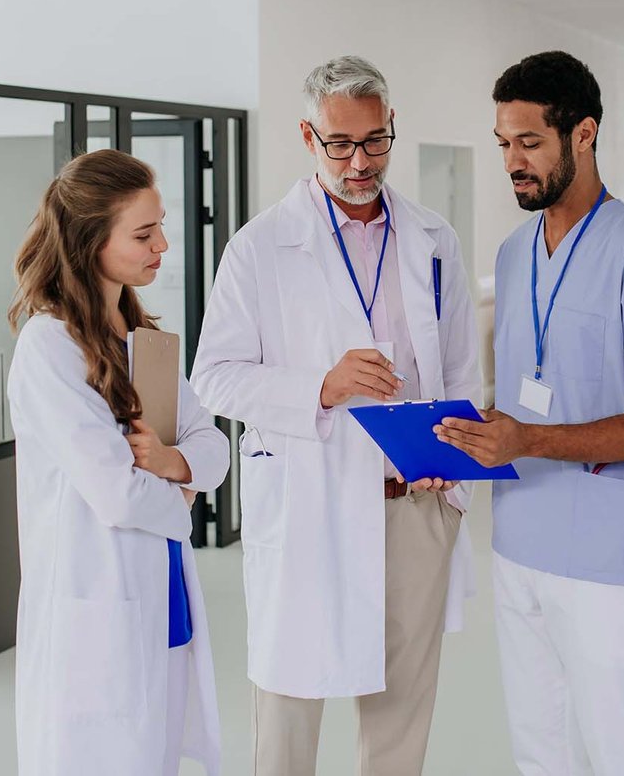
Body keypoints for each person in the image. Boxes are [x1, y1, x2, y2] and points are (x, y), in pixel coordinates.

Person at [192, 56, 482, 776]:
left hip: (413, 507)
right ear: (307, 135)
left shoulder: (432, 238)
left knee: (401, 717)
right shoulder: (260, 246)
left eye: (375, 141)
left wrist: (450, 481)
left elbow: (465, 371)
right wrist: (318, 386)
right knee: (289, 708)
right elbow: (214, 378)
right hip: (310, 508)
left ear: (392, 129)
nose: (360, 161)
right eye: (340, 143)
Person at [435, 51, 624, 776]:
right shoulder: (515, 251)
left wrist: (529, 436)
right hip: (520, 544)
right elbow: (535, 388)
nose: (511, 163)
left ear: (583, 134)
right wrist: (472, 436)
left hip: (611, 559)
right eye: (503, 143)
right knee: (541, 751)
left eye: (529, 142)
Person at [7, 149, 230, 776]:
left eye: (160, 225)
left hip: (160, 591)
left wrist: (174, 463)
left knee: (153, 753)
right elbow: (118, 495)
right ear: (88, 242)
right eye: (143, 233)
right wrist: (183, 491)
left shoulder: (143, 339)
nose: (163, 243)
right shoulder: (48, 346)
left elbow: (216, 447)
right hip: (97, 599)